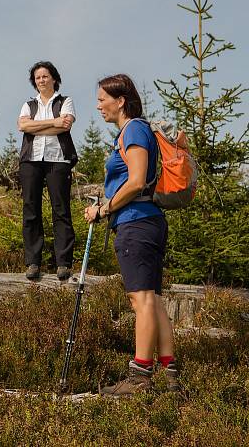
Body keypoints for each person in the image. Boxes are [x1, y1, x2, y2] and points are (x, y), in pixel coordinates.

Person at [84, 74, 179, 396]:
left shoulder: (134, 129)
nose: (98, 106)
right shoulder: (134, 130)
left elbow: (137, 181)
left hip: (136, 223)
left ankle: (139, 377)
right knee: (153, 301)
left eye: (101, 99)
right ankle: (171, 377)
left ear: (120, 100)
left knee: (141, 301)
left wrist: (104, 209)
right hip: (146, 221)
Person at [17, 61, 78, 280]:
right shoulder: (28, 104)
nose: (41, 80)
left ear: (54, 78)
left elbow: (66, 125)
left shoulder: (65, 101)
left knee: (60, 210)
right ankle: (33, 262)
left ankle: (63, 263)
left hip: (58, 160)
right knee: (31, 210)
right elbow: (23, 126)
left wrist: (36, 125)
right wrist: (54, 122)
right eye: (37, 77)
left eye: (45, 76)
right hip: (31, 160)